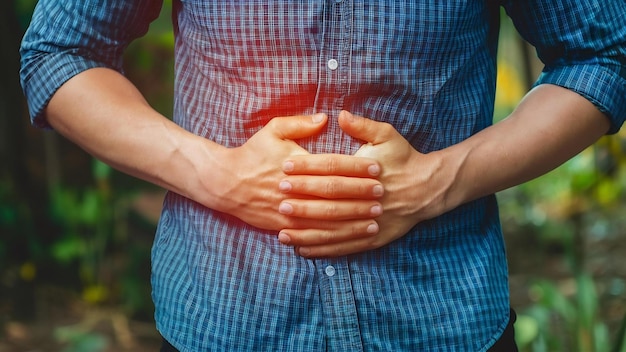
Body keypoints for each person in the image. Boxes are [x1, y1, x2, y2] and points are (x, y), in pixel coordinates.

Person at [20, 0, 625, 350]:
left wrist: (438, 182)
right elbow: (60, 51)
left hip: (440, 322)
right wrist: (219, 175)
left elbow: (604, 54)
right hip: (228, 323)